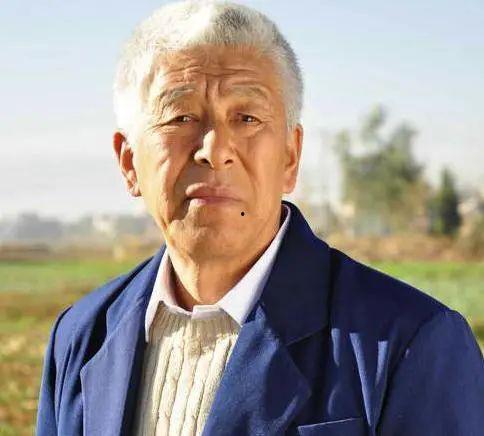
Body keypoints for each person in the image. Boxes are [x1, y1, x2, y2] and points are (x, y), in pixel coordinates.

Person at [36, 1, 483, 435]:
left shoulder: (410, 343)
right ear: (129, 162)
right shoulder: (80, 337)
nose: (214, 151)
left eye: (247, 118)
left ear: (290, 157)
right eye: (181, 116)